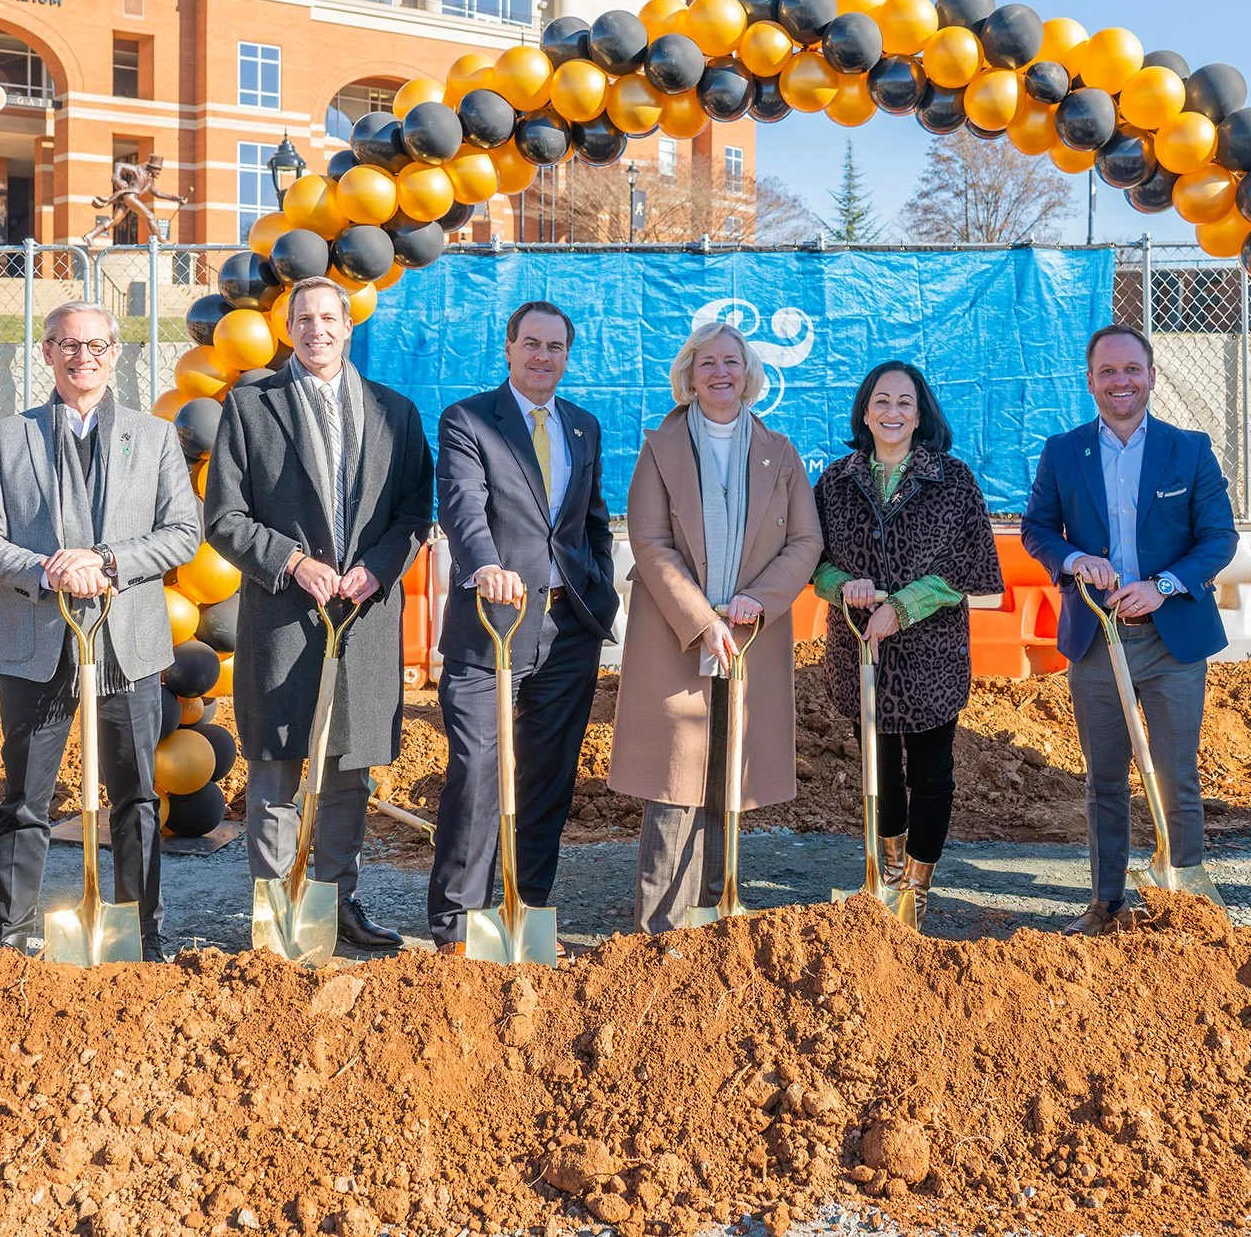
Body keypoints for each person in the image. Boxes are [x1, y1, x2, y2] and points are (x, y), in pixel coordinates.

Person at [0, 302, 200, 961]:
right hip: (35, 642)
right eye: (67, 344)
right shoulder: (9, 437)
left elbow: (184, 533)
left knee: (136, 797)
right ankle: (12, 936)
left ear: (115, 353)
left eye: (95, 345)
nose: (81, 356)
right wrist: (47, 568)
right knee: (24, 799)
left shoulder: (154, 437)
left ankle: (139, 933)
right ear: (47, 353)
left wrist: (107, 561)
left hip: (126, 646)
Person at [202, 276, 433, 954]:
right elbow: (224, 517)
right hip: (282, 618)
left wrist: (379, 567)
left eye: (329, 318)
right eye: (304, 319)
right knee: (276, 769)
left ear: (348, 325)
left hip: (362, 620)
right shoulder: (251, 407)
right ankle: (276, 913)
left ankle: (333, 903)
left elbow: (414, 512)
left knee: (346, 775)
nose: (317, 330)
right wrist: (294, 562)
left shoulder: (395, 412)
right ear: (288, 328)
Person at [1021, 324, 1238, 935]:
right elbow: (1038, 528)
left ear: (1151, 376)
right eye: (1108, 371)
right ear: (1090, 381)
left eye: (1132, 369)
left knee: (1176, 776)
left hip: (1174, 642)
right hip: (1097, 638)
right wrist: (1072, 560)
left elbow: (1219, 538)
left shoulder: (1189, 449)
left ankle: (1185, 900)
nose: (1122, 381)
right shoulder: (1064, 452)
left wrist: (1162, 585)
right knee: (1105, 781)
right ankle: (1106, 903)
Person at [611, 320, 823, 932]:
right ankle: (659, 932)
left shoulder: (780, 452)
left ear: (749, 373)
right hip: (676, 634)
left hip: (752, 636)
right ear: (690, 375)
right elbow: (650, 542)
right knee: (675, 779)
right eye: (707, 363)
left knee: (730, 773)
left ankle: (710, 922)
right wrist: (703, 620)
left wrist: (760, 599)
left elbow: (806, 541)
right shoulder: (661, 448)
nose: (720, 373)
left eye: (732, 361)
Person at [425, 301, 620, 953]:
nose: (542, 356)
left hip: (568, 629)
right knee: (478, 771)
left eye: (555, 346)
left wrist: (599, 591)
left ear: (567, 356)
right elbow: (463, 507)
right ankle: (459, 925)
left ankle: (526, 910)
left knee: (548, 777)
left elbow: (591, 520)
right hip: (493, 624)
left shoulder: (583, 426)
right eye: (531, 343)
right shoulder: (470, 419)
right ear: (508, 348)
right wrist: (485, 567)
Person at [810, 361, 1002, 931]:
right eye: (882, 401)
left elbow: (969, 566)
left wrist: (902, 606)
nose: (892, 412)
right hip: (861, 649)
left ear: (921, 416)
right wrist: (843, 585)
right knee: (879, 769)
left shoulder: (953, 481)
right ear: (865, 412)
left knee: (930, 772)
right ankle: (887, 874)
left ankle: (917, 884)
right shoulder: (836, 482)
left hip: (931, 656)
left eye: (904, 403)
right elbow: (810, 558)